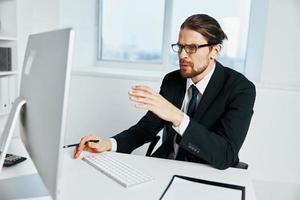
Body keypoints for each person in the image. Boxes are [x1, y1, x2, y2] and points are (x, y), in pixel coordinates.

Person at [73, 14, 256, 170]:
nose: (182, 55)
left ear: (215, 51)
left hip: (207, 172)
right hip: (166, 166)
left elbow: (225, 155)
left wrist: (177, 117)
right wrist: (108, 144)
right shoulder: (172, 80)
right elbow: (145, 129)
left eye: (191, 48)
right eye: (180, 47)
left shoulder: (240, 89)